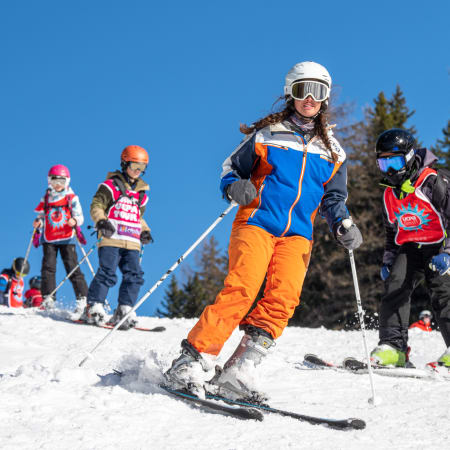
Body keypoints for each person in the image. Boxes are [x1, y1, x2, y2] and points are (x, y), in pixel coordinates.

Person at [165, 61, 363, 402]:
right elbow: (231, 169)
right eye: (304, 91)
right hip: (257, 221)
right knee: (242, 288)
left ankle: (239, 371)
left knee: (283, 299)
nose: (311, 99)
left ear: (326, 98)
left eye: (319, 92)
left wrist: (342, 221)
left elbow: (333, 197)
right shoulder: (267, 135)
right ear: (291, 94)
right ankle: (190, 360)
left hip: (298, 234)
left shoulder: (332, 150)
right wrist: (234, 188)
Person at [370, 129, 450, 369]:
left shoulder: (433, 181)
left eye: (393, 161)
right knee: (395, 287)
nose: (390, 170)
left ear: (408, 157)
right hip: (410, 247)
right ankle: (393, 348)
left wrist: (448, 252)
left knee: (442, 290)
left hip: (439, 245)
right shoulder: (389, 194)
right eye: (383, 163)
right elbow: (391, 232)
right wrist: (388, 260)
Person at [80, 145, 152, 329]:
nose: (137, 171)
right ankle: (93, 306)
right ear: (124, 163)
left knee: (135, 275)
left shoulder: (141, 194)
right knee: (107, 272)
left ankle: (124, 308)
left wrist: (145, 230)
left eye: (142, 168)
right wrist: (101, 221)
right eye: (134, 165)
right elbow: (96, 205)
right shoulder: (110, 186)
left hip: (132, 240)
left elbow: (138, 217)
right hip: (111, 236)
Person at [33, 165, 89, 312]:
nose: (58, 185)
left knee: (72, 267)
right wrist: (38, 222)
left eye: (61, 182)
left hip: (66, 237)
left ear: (67, 182)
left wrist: (75, 221)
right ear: (49, 182)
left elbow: (80, 216)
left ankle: (83, 298)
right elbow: (41, 215)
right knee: (48, 268)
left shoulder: (71, 197)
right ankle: (48, 298)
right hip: (50, 238)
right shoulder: (46, 198)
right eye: (54, 181)